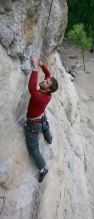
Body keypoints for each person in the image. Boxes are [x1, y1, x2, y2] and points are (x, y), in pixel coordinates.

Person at [24, 54, 58, 182]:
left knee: (33, 149)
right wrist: (41, 63)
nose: (44, 80)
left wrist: (34, 67)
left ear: (48, 88)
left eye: (46, 82)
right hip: (41, 116)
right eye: (46, 80)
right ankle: (49, 138)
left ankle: (43, 169)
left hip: (33, 125)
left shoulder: (39, 96)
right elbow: (48, 73)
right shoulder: (48, 93)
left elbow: (31, 88)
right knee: (44, 122)